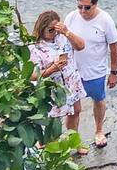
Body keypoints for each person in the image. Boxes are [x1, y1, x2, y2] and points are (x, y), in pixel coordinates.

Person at [64, 0, 117, 150]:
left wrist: (114, 73)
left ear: (95, 5)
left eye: (87, 7)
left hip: (96, 71)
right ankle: (73, 140)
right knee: (73, 108)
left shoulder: (105, 20)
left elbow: (114, 47)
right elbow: (63, 42)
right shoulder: (71, 17)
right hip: (74, 72)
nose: (82, 11)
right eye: (79, 7)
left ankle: (99, 131)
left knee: (98, 99)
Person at [28, 10, 87, 153]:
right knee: (53, 120)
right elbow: (32, 75)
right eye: (50, 30)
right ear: (42, 29)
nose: (54, 32)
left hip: (71, 82)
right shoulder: (35, 47)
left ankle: (74, 142)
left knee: (75, 112)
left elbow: (81, 46)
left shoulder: (63, 37)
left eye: (56, 29)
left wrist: (66, 32)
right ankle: (52, 148)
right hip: (52, 88)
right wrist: (51, 69)